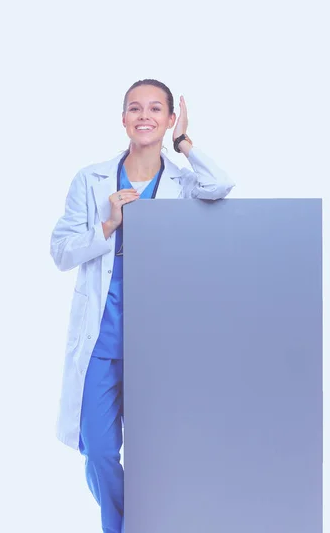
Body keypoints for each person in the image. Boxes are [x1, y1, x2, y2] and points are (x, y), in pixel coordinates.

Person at [50, 79, 235, 533]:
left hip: (157, 344)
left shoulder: (183, 183)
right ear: (123, 119)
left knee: (157, 454)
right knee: (96, 448)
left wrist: (186, 145)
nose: (145, 116)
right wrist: (109, 225)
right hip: (100, 339)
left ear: (170, 119)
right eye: (135, 108)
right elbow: (61, 252)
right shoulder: (91, 179)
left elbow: (221, 186)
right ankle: (123, 526)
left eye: (156, 109)